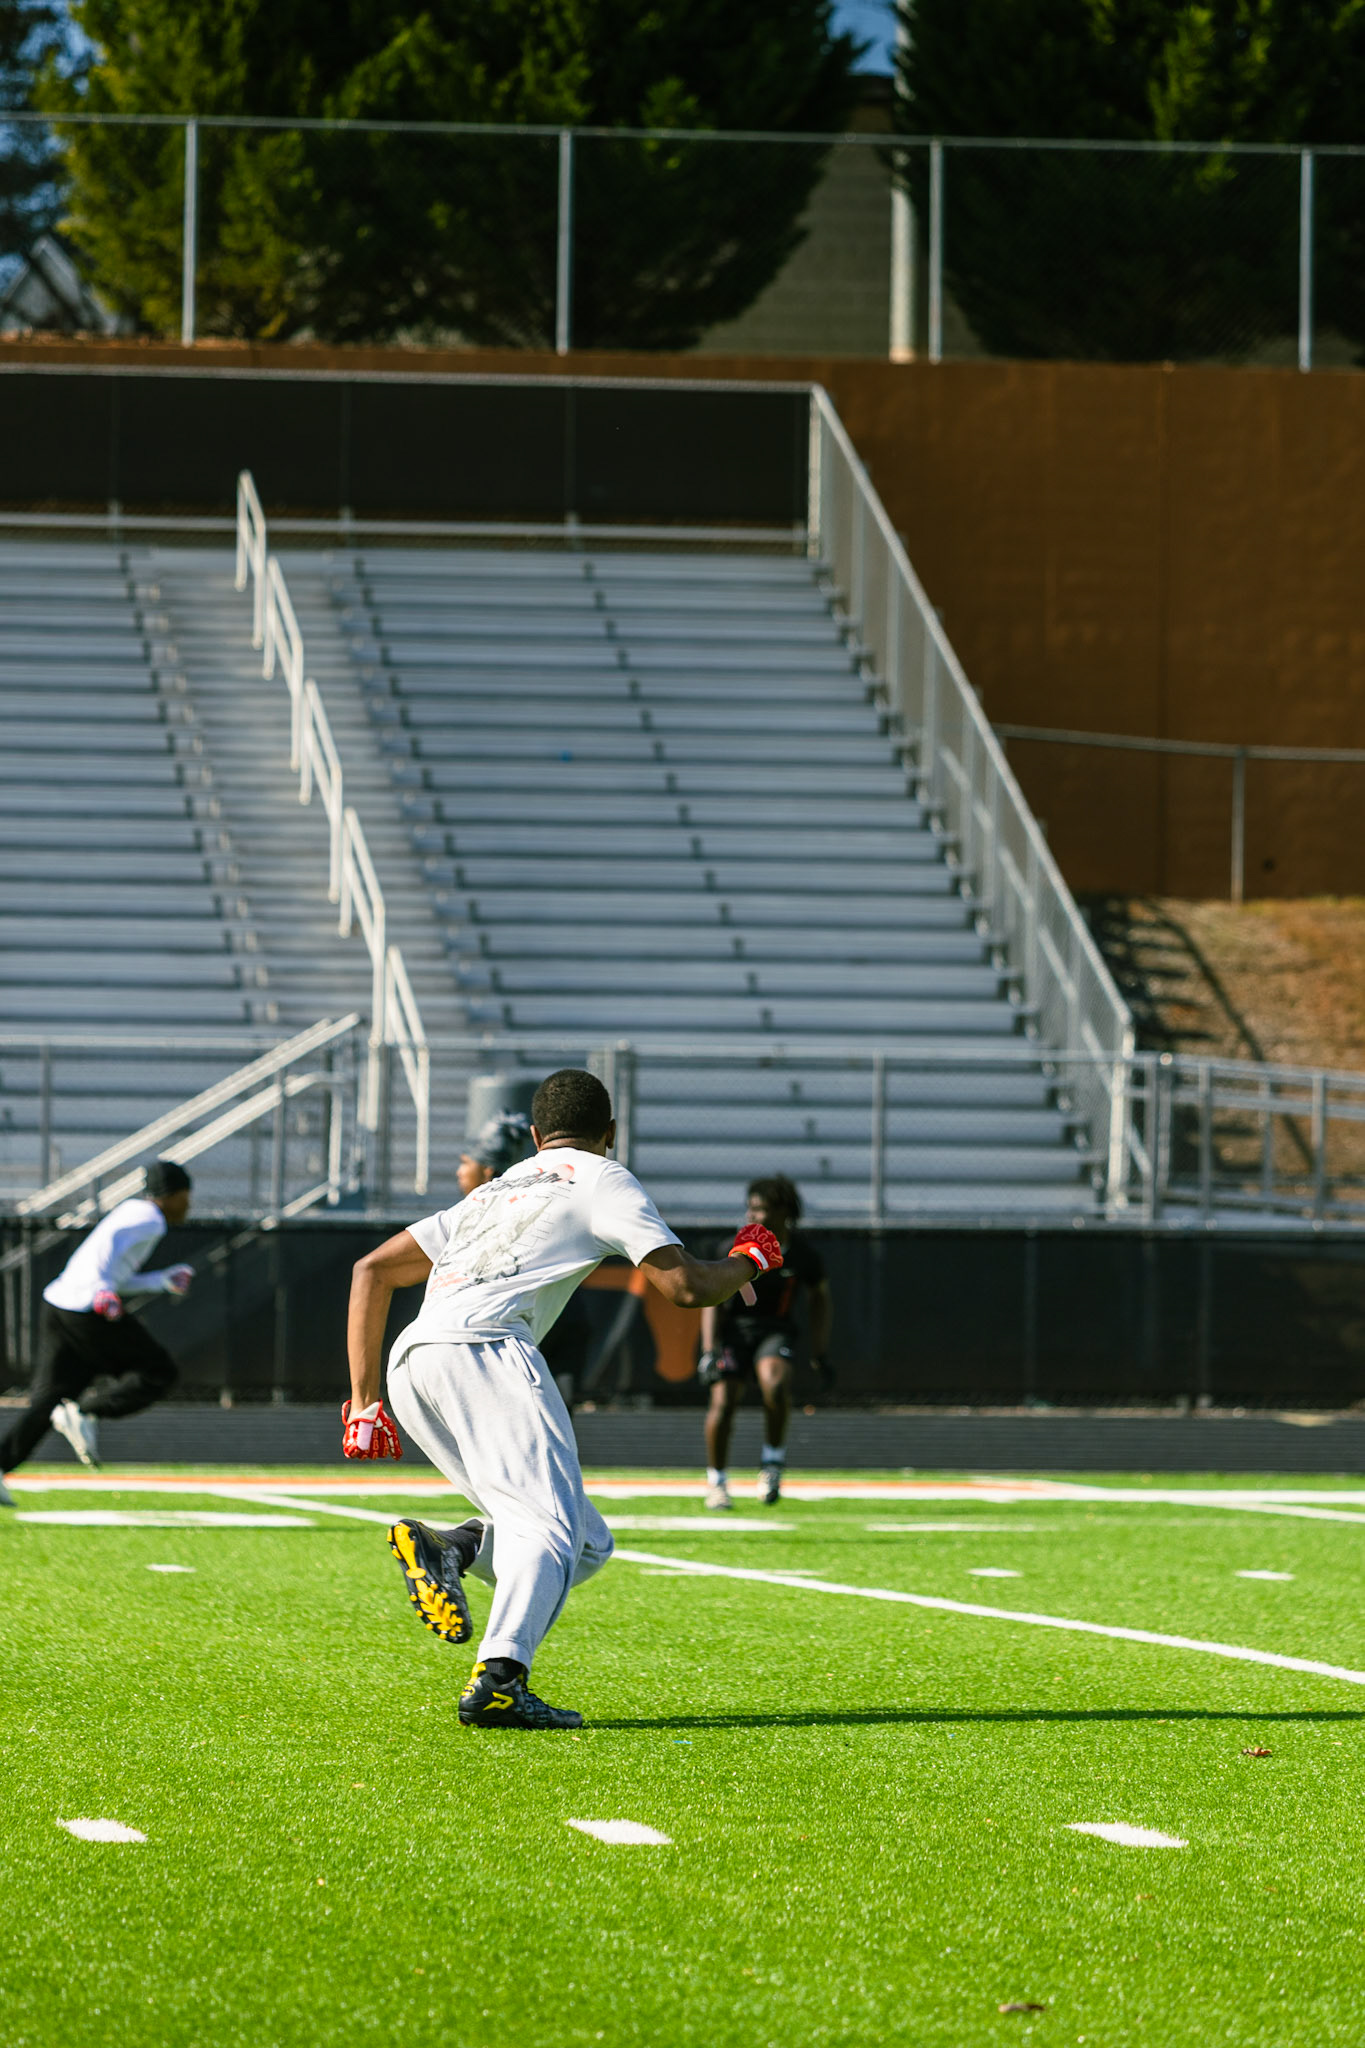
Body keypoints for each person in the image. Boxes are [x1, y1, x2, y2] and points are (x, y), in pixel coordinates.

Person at [342, 1066, 782, 1731]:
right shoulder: (604, 1177)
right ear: (611, 1132)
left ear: (533, 1135)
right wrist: (752, 1257)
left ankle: (452, 1549)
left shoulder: (498, 1186)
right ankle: (499, 1681)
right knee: (549, 1531)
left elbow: (371, 1270)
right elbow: (687, 1288)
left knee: (586, 1541)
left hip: (414, 1362)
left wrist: (364, 1403)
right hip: (485, 1351)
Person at [0, 1160, 194, 1491]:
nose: (188, 1204)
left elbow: (112, 1272)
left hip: (60, 1304)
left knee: (48, 1402)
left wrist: (160, 1280)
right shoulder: (150, 1219)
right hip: (86, 1310)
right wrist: (101, 1289)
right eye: (186, 1196)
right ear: (172, 1195)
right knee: (159, 1372)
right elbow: (105, 1254)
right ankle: (85, 1412)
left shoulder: (133, 1211)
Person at [698, 1174, 832, 1511]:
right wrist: (709, 1350)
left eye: (761, 1209)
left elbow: (820, 1299)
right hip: (735, 1332)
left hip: (776, 1330)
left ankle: (772, 1463)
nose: (753, 1215)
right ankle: (717, 1483)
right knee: (723, 1402)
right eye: (751, 1208)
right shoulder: (733, 1248)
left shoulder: (802, 1254)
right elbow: (712, 1300)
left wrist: (819, 1351)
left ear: (784, 1211)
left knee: (775, 1384)